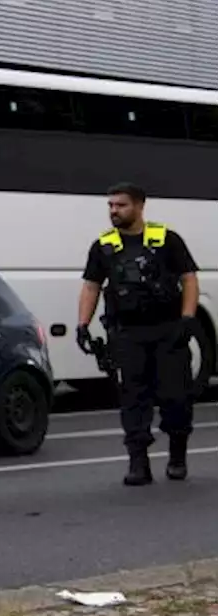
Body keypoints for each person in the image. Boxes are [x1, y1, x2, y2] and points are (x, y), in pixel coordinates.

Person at [77, 183, 200, 485]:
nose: (114, 211)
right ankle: (138, 463)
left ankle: (177, 456)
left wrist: (187, 319)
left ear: (140, 206)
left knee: (175, 397)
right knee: (133, 398)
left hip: (168, 330)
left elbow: (189, 279)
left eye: (121, 205)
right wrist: (82, 324)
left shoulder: (166, 240)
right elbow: (91, 286)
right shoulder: (103, 247)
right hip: (128, 334)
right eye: (111, 206)